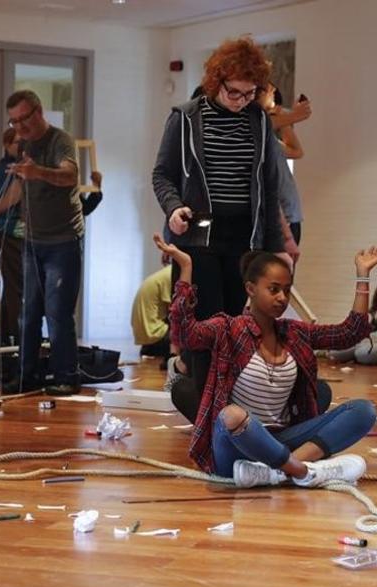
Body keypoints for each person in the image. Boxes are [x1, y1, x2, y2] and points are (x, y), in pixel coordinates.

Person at [158, 232, 377, 488]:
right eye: (273, 290)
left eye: (286, 291)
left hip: (282, 439)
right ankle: (299, 471)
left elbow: (349, 332)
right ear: (250, 289)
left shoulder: (294, 332)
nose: (282, 298)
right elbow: (185, 333)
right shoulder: (228, 328)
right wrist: (186, 268)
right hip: (237, 444)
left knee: (363, 411)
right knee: (231, 416)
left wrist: (363, 275)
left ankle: (279, 471)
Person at [152, 37, 296, 399]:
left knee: (236, 323)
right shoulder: (185, 117)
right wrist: (173, 209)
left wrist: (276, 247)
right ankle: (204, 402)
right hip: (199, 230)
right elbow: (162, 174)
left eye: (249, 94)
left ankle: (226, 400)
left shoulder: (259, 122)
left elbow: (270, 184)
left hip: (245, 235)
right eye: (234, 92)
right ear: (217, 82)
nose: (241, 100)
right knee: (204, 322)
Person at [0, 90, 84, 396]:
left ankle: (65, 376)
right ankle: (26, 376)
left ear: (38, 112)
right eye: (13, 121)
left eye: (23, 119)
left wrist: (38, 172)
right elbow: (19, 190)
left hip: (63, 241)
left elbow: (69, 176)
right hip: (33, 241)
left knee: (57, 311)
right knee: (28, 311)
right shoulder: (25, 147)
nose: (19, 127)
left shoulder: (60, 141)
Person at [258, 83, 312, 245]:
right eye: (268, 90)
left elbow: (296, 151)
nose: (273, 92)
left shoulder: (269, 136)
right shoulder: (256, 128)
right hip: (278, 219)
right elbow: (264, 124)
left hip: (291, 215)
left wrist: (282, 117)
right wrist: (294, 115)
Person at [0, 128, 26, 346]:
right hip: (11, 231)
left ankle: (6, 337)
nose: (21, 146)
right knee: (15, 288)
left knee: (11, 286)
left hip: (7, 230)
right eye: (17, 142)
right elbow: (8, 197)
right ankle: (16, 338)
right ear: (6, 144)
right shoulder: (9, 168)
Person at [131, 265, 173, 359]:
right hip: (155, 336)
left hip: (147, 339)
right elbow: (175, 311)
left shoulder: (164, 273)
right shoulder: (170, 275)